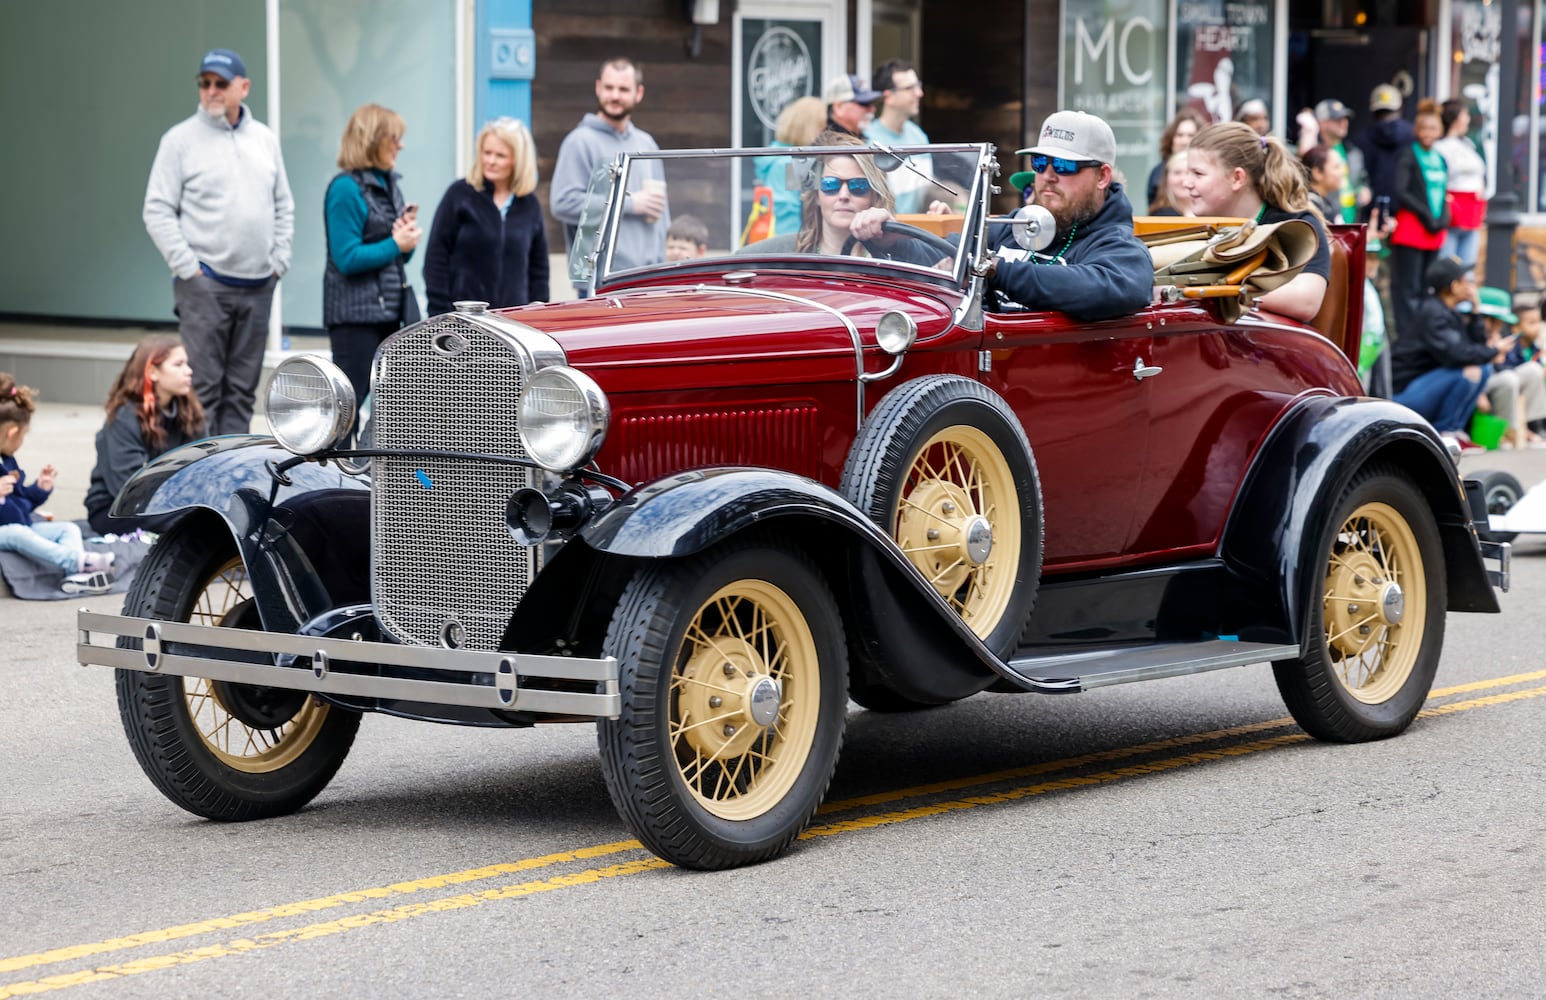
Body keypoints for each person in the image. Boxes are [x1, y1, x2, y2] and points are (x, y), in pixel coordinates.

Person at [143, 47, 294, 437]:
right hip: (205, 286)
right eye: (205, 83)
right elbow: (156, 210)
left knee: (242, 393)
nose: (211, 91)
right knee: (203, 391)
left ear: (243, 88)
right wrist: (189, 269)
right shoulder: (179, 140)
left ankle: (232, 477)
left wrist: (279, 261)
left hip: (259, 284)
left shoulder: (264, 139)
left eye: (220, 84)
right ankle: (199, 481)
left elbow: (284, 205)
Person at [938, 111, 1152, 322]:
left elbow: (1110, 287)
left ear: (1102, 177)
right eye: (1039, 162)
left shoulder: (1117, 244)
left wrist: (999, 271)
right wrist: (907, 243)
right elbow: (948, 249)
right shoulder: (1014, 225)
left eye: (1064, 165)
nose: (1048, 176)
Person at [323, 104, 421, 413]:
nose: (400, 145)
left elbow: (398, 259)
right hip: (355, 319)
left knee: (389, 411)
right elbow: (346, 258)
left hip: (389, 314)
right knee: (346, 410)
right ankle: (334, 464)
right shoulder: (345, 189)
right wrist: (395, 243)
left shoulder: (389, 184)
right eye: (394, 138)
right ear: (372, 140)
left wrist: (405, 242)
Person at [1185, 121, 1331, 322]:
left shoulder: (1297, 227)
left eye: (1198, 174)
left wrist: (1223, 289)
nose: (1187, 183)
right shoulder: (1197, 228)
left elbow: (1306, 302)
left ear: (1237, 178)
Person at [551, 58, 669, 288]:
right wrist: (630, 203)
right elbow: (563, 203)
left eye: (623, 89)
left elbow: (662, 214)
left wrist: (664, 264)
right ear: (598, 88)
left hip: (648, 278)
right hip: (599, 282)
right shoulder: (579, 142)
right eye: (609, 87)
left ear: (639, 93)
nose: (615, 96)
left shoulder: (646, 144)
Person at [0, 375, 114, 594]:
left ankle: (75, 577)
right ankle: (77, 562)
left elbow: (21, 502)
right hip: (9, 530)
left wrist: (39, 489)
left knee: (68, 529)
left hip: (22, 524)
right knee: (16, 533)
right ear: (12, 432)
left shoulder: (7, 459)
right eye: (23, 435)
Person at [84, 336, 208, 537]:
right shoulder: (125, 417)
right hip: (114, 509)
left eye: (187, 363)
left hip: (171, 502)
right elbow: (129, 490)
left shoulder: (190, 412)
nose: (189, 371)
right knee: (196, 522)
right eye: (178, 364)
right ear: (152, 372)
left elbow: (204, 468)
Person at [424, 117, 548, 316]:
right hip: (464, 320)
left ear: (518, 159)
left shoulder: (529, 205)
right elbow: (435, 258)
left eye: (500, 155)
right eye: (486, 152)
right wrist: (441, 313)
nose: (491, 161)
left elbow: (539, 268)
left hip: (514, 322)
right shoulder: (459, 195)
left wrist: (538, 312)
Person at [1389, 256, 1502, 440]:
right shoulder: (1434, 313)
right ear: (1453, 285)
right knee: (1469, 371)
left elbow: (1473, 348)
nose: (1470, 285)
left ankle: (1456, 430)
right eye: (1465, 280)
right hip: (1404, 396)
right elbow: (1458, 355)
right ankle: (1446, 432)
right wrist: (1494, 351)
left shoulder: (1448, 311)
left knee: (1484, 367)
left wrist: (1475, 311)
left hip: (1426, 386)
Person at [1388, 99, 1449, 340]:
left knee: (1427, 287)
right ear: (1416, 130)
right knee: (1408, 288)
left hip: (1434, 232)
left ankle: (1424, 335)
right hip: (1412, 230)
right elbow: (1402, 191)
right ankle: (1408, 335)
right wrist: (1425, 213)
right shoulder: (1408, 155)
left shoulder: (1440, 158)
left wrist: (1443, 217)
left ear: (1440, 131)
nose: (1428, 134)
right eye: (1424, 128)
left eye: (1433, 129)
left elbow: (1445, 191)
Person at [1474, 286, 1546, 447]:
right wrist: (1492, 353)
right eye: (1494, 320)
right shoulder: (1473, 333)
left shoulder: (1504, 339)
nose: (1499, 325)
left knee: (1534, 369)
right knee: (1509, 378)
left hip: (1502, 379)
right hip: (1485, 384)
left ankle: (1533, 425)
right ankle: (1507, 432)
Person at [864, 60, 936, 214]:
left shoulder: (919, 136)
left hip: (919, 232)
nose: (919, 93)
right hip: (886, 232)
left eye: (918, 86)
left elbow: (926, 192)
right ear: (888, 96)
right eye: (910, 88)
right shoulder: (868, 140)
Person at [753, 96, 825, 238]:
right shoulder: (790, 162)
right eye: (821, 126)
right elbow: (788, 213)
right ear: (808, 127)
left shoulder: (780, 155)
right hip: (788, 243)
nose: (824, 132)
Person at [1436, 98, 1487, 265]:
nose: (1468, 119)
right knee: (1448, 263)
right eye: (1465, 114)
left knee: (1468, 265)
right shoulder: (1440, 147)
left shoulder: (1468, 144)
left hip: (1472, 211)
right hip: (1453, 210)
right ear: (1455, 117)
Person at [1353, 84, 1415, 210]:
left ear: (1373, 111)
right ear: (1400, 108)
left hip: (1370, 211)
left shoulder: (1361, 139)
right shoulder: (1414, 135)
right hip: (1406, 212)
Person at [1314, 98, 1368, 223]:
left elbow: (1363, 179)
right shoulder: (1313, 153)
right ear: (1322, 123)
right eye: (1337, 119)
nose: (1344, 123)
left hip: (1352, 223)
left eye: (1345, 119)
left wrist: (1365, 189)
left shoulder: (1354, 152)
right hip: (1324, 223)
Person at [1146, 109, 1207, 209]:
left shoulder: (1208, 170)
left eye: (1190, 135)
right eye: (1180, 135)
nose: (1184, 140)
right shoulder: (1157, 174)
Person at [822, 74, 880, 138]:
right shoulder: (825, 143)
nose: (873, 109)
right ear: (839, 107)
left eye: (872, 103)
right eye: (864, 103)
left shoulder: (864, 138)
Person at [1300, 146, 1345, 221]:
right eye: (1336, 167)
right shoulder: (1310, 208)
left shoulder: (1324, 203)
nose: (1342, 172)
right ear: (1317, 173)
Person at [1148, 151, 1195, 216]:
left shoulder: (1210, 213)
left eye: (1188, 173)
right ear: (1166, 178)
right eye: (1177, 173)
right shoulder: (1160, 216)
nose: (1183, 179)